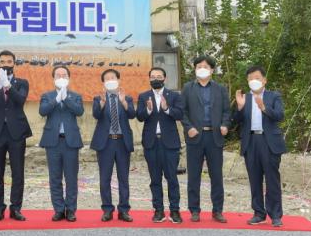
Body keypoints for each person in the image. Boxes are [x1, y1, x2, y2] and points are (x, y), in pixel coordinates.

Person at [0, 50, 32, 221]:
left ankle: (15, 208)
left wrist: (8, 85)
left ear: (14, 64)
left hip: (16, 132)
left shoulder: (22, 82)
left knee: (17, 173)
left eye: (9, 62)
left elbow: (20, 100)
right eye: (2, 62)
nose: (6, 64)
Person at [233, 65, 286, 227]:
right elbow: (235, 121)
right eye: (250, 78)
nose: (253, 81)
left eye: (256, 78)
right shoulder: (245, 97)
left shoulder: (273, 96)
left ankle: (275, 215)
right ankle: (258, 213)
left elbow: (280, 115)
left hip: (269, 142)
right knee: (254, 179)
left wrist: (264, 108)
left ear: (264, 80)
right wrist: (239, 107)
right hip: (251, 142)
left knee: (272, 179)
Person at [180, 55, 230, 223]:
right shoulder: (188, 88)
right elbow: (182, 111)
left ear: (212, 70)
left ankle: (217, 211)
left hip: (214, 137)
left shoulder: (220, 89)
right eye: (199, 66)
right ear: (195, 69)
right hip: (195, 137)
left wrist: (225, 125)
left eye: (206, 67)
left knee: (216, 176)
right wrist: (188, 127)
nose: (202, 69)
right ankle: (194, 210)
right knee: (194, 176)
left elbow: (226, 111)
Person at [136, 67, 184, 223]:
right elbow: (139, 117)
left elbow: (180, 114)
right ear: (149, 78)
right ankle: (158, 210)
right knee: (155, 179)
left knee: (172, 179)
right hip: (151, 143)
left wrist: (167, 109)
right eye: (152, 76)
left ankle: (175, 211)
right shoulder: (144, 96)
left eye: (158, 76)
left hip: (169, 143)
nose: (155, 79)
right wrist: (148, 110)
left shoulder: (174, 96)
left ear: (164, 78)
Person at [39, 66, 84, 222]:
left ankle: (70, 210)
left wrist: (66, 98)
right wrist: (57, 99)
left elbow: (79, 111)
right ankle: (58, 209)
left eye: (64, 75)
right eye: (58, 75)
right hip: (53, 142)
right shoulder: (47, 96)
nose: (61, 77)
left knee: (71, 178)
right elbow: (43, 111)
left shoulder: (75, 96)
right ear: (53, 79)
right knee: (55, 178)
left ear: (69, 78)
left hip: (70, 142)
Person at [90, 68, 135, 222]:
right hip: (106, 143)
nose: (110, 80)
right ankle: (107, 210)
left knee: (124, 178)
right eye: (107, 78)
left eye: (113, 77)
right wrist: (102, 103)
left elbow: (132, 115)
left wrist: (123, 102)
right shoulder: (98, 98)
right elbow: (96, 115)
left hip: (122, 142)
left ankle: (124, 210)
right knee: (105, 178)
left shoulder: (126, 98)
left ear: (118, 80)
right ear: (103, 82)